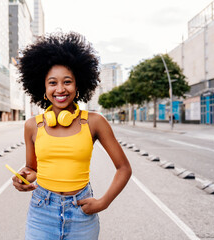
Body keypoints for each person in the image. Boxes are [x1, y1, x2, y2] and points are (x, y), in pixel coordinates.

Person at [12, 32, 132, 240]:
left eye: (67, 82)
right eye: (52, 83)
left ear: (78, 87)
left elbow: (124, 168)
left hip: (81, 212)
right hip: (42, 212)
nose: (60, 89)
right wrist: (23, 179)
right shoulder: (32, 126)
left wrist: (103, 202)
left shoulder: (94, 122)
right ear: (43, 87)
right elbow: (32, 169)